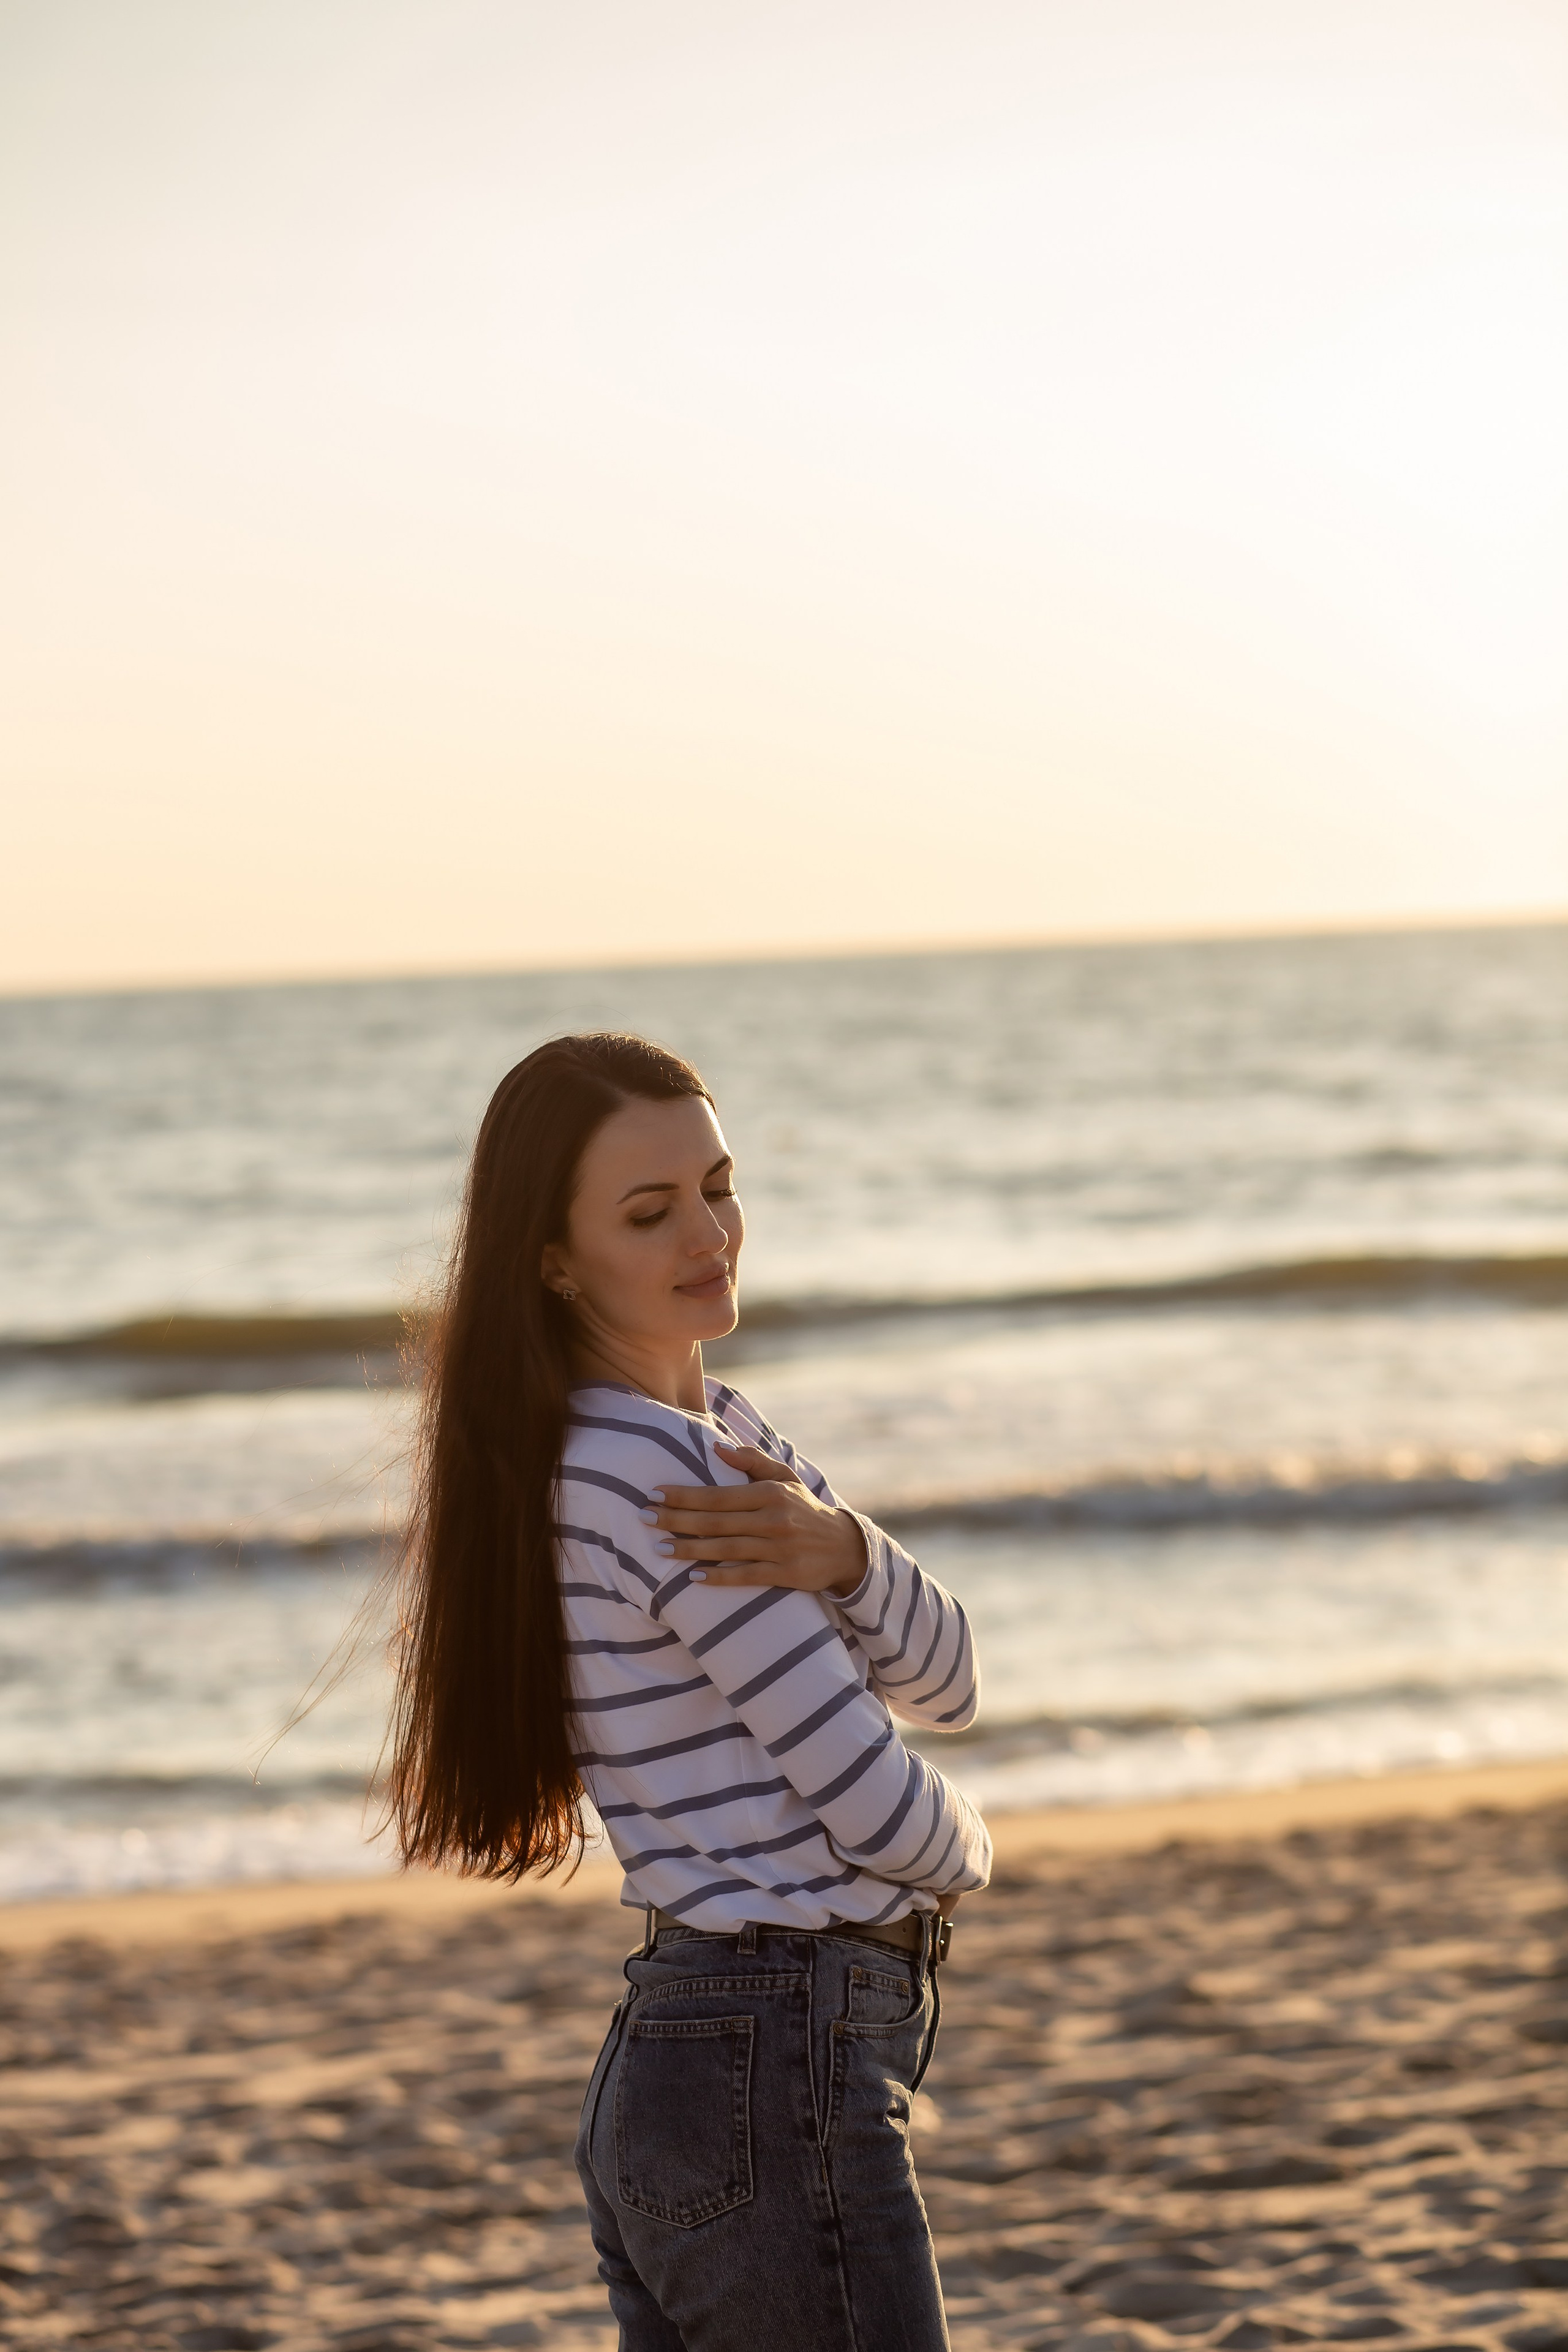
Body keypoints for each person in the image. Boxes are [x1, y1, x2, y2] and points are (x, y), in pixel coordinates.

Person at [390, 1031, 990, 2350]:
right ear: (553, 1261)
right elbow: (881, 1813)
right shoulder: (671, 1487)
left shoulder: (710, 1441)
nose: (709, 1232)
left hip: (694, 2063)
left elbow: (946, 1676)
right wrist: (974, 1849)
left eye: (717, 1186)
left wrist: (847, 1549)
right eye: (650, 1212)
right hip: (768, 2061)